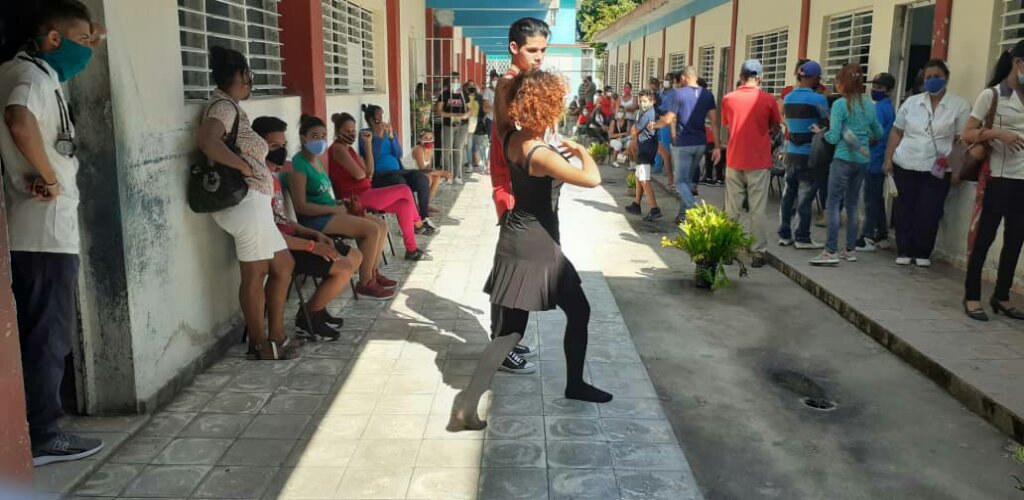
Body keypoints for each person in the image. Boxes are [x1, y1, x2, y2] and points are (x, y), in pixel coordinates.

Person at [451, 69, 612, 432]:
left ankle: (574, 384)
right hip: (535, 248)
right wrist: (582, 151)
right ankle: (467, 404)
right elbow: (592, 179)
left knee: (564, 314)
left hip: (525, 240)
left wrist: (507, 85)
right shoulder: (539, 153)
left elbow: (504, 113)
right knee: (512, 332)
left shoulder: (513, 137)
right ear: (549, 106)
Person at [0, 0, 107, 466]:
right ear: (53, 39)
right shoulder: (30, 78)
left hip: (37, 229)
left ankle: (35, 428)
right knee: (50, 335)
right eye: (83, 43)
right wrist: (51, 177)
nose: (89, 52)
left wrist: (90, 36)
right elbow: (20, 121)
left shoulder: (36, 71)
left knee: (42, 331)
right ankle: (42, 434)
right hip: (43, 230)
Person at [193, 47, 306, 363]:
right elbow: (208, 140)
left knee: (283, 265)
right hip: (244, 203)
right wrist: (244, 167)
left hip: (255, 202)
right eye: (248, 76)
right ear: (240, 76)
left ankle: (275, 336)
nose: (250, 82)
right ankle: (261, 343)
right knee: (255, 274)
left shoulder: (231, 107)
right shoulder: (223, 107)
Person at [252, 116, 360, 340]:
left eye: (283, 146)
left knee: (355, 255)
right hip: (281, 248)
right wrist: (312, 246)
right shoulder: (256, 184)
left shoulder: (272, 176)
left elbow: (281, 219)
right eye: (274, 147)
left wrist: (313, 234)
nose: (280, 152)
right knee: (344, 267)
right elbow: (270, 231)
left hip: (296, 238)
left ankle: (315, 311)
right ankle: (308, 317)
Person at [487, 17, 555, 374]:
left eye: (544, 49)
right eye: (533, 50)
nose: (540, 56)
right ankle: (502, 345)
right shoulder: (508, 84)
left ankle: (506, 339)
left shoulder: (524, 80)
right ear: (514, 48)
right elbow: (505, 139)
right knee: (517, 270)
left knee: (517, 268)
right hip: (513, 185)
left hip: (520, 183)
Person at [284, 115, 396, 300]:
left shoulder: (316, 160)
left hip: (332, 211)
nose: (320, 140)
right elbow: (301, 206)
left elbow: (322, 195)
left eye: (323, 135)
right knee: (371, 229)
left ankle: (373, 273)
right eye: (314, 136)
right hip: (317, 220)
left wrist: (339, 204)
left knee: (380, 225)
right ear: (303, 138)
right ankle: (365, 282)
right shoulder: (299, 164)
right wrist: (334, 210)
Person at [883, 60, 969, 266]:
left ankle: (922, 252)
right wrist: (888, 158)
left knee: (930, 209)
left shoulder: (959, 105)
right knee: (905, 208)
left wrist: (957, 169)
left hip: (938, 167)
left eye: (936, 76)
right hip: (906, 162)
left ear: (946, 77)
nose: (931, 81)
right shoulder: (912, 103)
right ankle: (904, 250)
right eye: (928, 77)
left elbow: (961, 140)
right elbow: (896, 131)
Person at [962, 41, 1024, 321]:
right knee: (985, 237)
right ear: (1018, 63)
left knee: (1015, 241)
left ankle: (1001, 296)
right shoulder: (993, 95)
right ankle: (972, 295)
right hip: (1000, 178)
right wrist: (998, 133)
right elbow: (968, 134)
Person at [332, 111, 433, 260]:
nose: (351, 134)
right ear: (337, 132)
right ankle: (418, 223)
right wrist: (365, 172)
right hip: (355, 198)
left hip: (366, 190)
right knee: (404, 190)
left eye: (353, 131)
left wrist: (368, 144)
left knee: (404, 205)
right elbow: (361, 174)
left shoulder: (349, 149)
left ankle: (411, 249)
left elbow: (369, 171)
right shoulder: (338, 149)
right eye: (347, 131)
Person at [810, 64, 883, 266]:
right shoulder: (868, 105)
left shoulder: (840, 105)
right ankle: (850, 250)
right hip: (862, 162)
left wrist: (821, 133)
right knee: (852, 204)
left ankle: (830, 250)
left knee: (833, 204)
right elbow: (878, 132)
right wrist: (867, 138)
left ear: (842, 83)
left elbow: (833, 137)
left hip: (842, 158)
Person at [720, 60, 783, 268]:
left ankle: (728, 249)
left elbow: (728, 124)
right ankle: (757, 252)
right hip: (758, 161)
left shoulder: (728, 99)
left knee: (732, 208)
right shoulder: (767, 99)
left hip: (735, 158)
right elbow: (775, 125)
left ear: (741, 76)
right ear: (760, 78)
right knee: (757, 208)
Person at [655, 67, 721, 224]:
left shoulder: (679, 94)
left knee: (680, 181)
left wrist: (654, 125)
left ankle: (694, 210)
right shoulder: (707, 94)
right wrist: (717, 146)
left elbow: (668, 119)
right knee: (689, 180)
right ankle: (683, 216)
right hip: (700, 143)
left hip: (684, 143)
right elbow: (714, 121)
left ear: (684, 78)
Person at [777, 60, 829, 249]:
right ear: (814, 78)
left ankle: (784, 233)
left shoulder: (789, 97)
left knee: (788, 195)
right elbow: (826, 123)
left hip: (791, 151)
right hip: (809, 153)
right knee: (805, 197)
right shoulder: (818, 99)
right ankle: (802, 237)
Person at [359, 104, 436, 227]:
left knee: (421, 178)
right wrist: (378, 137)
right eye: (379, 117)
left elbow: (398, 153)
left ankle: (424, 217)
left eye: (382, 115)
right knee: (400, 182)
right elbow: (374, 156)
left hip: (399, 171)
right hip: (380, 175)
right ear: (371, 120)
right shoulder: (365, 134)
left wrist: (390, 137)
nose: (382, 120)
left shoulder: (389, 133)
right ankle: (410, 222)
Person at [858, 73, 897, 252]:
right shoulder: (887, 107)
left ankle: (868, 237)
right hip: (877, 158)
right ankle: (881, 234)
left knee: (870, 199)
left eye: (879, 87)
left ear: (889, 90)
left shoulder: (880, 109)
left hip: (875, 158)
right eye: (873, 86)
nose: (874, 90)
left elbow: (873, 136)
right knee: (877, 198)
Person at [624, 90, 662, 221]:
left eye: (645, 101)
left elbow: (636, 130)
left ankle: (654, 208)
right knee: (638, 176)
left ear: (651, 102)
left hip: (647, 147)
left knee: (644, 179)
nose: (642, 103)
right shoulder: (643, 112)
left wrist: (632, 138)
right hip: (643, 146)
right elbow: (635, 130)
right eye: (640, 101)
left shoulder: (648, 113)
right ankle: (636, 204)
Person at [435, 72, 472, 184]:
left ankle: (457, 175)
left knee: (457, 149)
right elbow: (439, 110)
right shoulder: (444, 94)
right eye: (453, 82)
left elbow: (470, 109)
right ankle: (447, 175)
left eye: (456, 82)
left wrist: (466, 115)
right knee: (446, 150)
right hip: (448, 125)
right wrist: (450, 115)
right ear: (449, 82)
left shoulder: (463, 94)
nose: (455, 84)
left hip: (462, 125)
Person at [410, 129, 453, 211]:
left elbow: (429, 168)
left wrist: (439, 174)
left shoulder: (430, 149)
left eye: (430, 138)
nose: (429, 140)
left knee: (436, 178)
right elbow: (422, 170)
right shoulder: (418, 149)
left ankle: (425, 205)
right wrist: (442, 173)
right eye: (426, 138)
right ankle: (422, 207)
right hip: (410, 174)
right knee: (428, 178)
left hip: (419, 174)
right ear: (420, 139)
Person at [655, 73, 675, 184]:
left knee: (665, 145)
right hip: (658, 118)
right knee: (658, 144)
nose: (667, 81)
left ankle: (667, 169)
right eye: (665, 79)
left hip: (667, 120)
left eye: (669, 80)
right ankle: (657, 165)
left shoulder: (674, 93)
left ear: (672, 81)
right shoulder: (661, 91)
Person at [472, 79, 494, 172]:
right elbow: (484, 109)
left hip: (481, 125)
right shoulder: (479, 98)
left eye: (483, 87)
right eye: (482, 87)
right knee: (483, 145)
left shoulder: (478, 97)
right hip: (482, 124)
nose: (483, 89)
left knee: (482, 146)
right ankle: (486, 165)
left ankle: (485, 165)